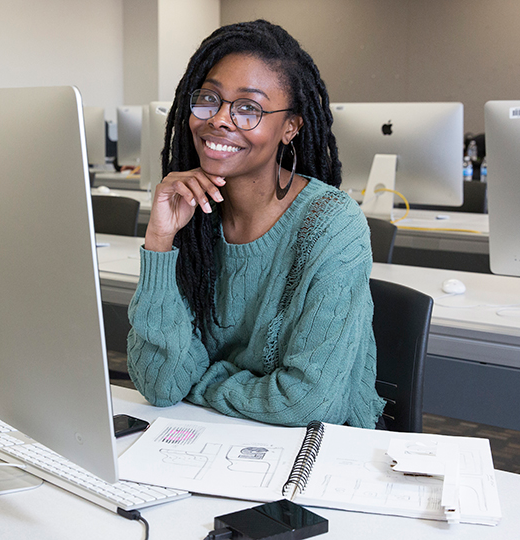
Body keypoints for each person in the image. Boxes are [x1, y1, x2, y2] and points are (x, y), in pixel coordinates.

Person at [126, 20, 385, 429]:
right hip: (211, 436)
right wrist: (160, 241)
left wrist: (198, 379)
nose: (221, 119)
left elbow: (306, 404)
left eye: (249, 108)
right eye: (210, 99)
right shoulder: (192, 218)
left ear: (290, 127)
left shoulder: (332, 224)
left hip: (320, 455)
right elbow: (159, 386)